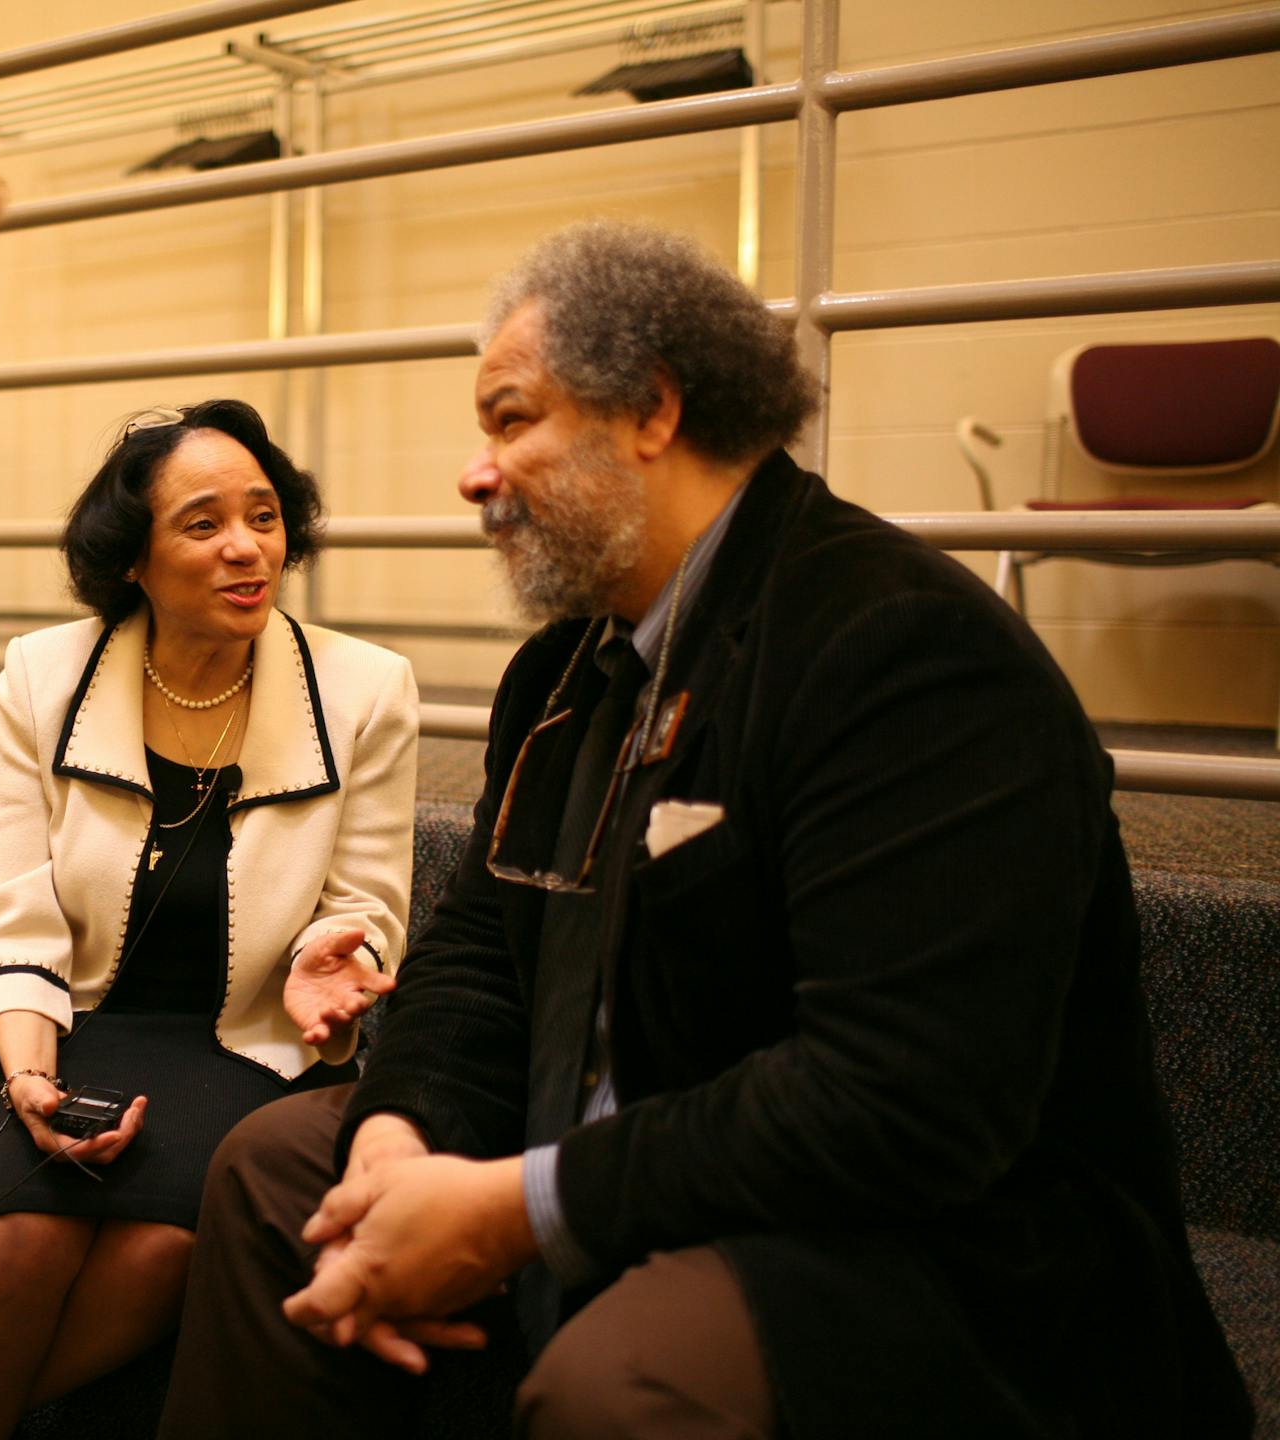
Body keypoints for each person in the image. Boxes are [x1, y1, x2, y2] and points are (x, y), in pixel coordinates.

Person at [156, 221, 1253, 1439]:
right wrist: (398, 1139)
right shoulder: (560, 674)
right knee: (278, 1177)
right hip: (615, 1140)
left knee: (627, 1380)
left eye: (511, 421)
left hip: (919, 1238)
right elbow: (478, 957)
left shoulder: (900, 651)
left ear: (653, 411)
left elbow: (901, 1101)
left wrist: (513, 1207)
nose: (477, 474)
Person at [0, 399, 417, 1440]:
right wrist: (30, 1071)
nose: (246, 548)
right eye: (204, 523)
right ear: (132, 557)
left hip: (255, 1038)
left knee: (166, 1243)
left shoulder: (365, 690)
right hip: (77, 1016)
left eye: (265, 517)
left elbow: (367, 902)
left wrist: (333, 954)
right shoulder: (44, 678)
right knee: (23, 1236)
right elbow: (14, 907)